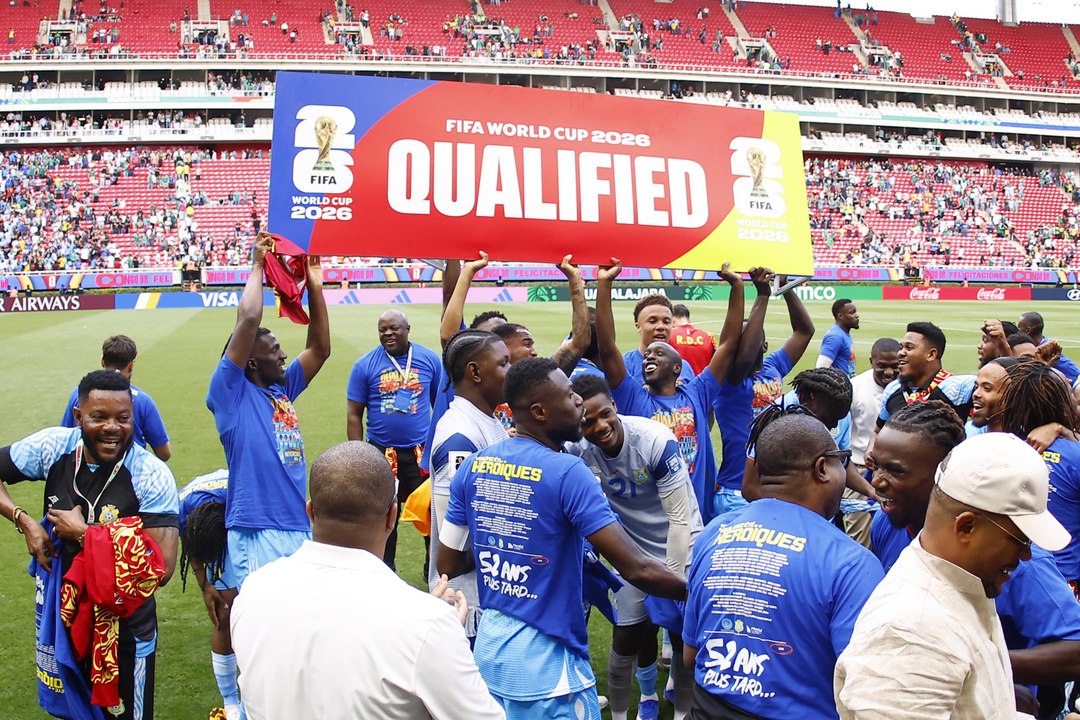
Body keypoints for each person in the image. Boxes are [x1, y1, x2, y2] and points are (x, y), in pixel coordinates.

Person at [437, 357, 686, 720]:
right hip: (550, 672)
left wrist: (512, 548)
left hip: (491, 658)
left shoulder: (474, 466)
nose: (579, 403)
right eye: (570, 396)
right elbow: (636, 568)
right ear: (540, 411)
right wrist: (695, 595)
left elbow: (448, 562)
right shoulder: (568, 472)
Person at [231, 441, 505, 720]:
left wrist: (428, 624)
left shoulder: (253, 592)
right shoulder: (427, 625)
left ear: (310, 512)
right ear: (392, 515)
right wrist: (441, 635)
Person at [834, 433, 1071, 719]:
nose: (1026, 556)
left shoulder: (966, 583)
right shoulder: (911, 633)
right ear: (967, 527)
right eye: (1019, 540)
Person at [0, 370, 180, 720]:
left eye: (123, 418)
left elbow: (163, 569)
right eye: (99, 417)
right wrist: (24, 521)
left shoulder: (150, 474)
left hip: (125, 628)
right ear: (78, 416)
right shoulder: (53, 448)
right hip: (65, 618)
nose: (113, 428)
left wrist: (85, 535)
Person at [683, 411, 883, 719]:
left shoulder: (715, 532)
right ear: (821, 468)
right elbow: (863, 689)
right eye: (841, 460)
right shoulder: (852, 563)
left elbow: (691, 653)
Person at [567, 375, 704, 720]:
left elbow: (679, 518)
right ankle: (633, 703)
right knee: (627, 635)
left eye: (604, 415)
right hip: (632, 553)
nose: (599, 427)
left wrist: (671, 581)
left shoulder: (655, 440)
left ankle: (683, 712)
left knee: (681, 635)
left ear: (614, 406)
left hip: (682, 546)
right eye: (587, 422)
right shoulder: (578, 449)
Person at [206, 232, 330, 589]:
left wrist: (316, 287)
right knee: (262, 632)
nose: (284, 355)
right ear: (251, 362)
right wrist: (257, 264)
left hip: (296, 524)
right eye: (274, 350)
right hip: (257, 527)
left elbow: (320, 349)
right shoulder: (231, 394)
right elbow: (247, 320)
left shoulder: (281, 390)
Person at [597, 261, 746, 524]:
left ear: (678, 367)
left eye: (667, 321)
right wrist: (605, 284)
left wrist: (737, 285)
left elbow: (729, 345)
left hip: (695, 510)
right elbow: (607, 348)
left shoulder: (696, 392)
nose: (650, 356)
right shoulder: (635, 397)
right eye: (648, 356)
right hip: (651, 516)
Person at [427, 329, 510, 637]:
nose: (510, 372)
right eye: (504, 364)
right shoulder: (459, 440)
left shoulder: (487, 420)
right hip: (467, 606)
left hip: (487, 597)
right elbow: (454, 553)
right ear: (475, 371)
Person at [714, 270, 815, 514]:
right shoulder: (728, 380)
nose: (743, 341)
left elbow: (804, 332)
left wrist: (786, 287)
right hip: (735, 493)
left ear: (765, 345)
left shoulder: (774, 366)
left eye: (751, 334)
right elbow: (746, 355)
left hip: (773, 488)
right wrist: (762, 294)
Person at [346, 308, 441, 570]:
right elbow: (354, 414)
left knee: (430, 513)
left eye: (393, 328)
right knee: (383, 517)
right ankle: (385, 570)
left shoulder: (429, 359)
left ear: (407, 329)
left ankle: (431, 567)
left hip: (421, 453)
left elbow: (440, 405)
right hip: (381, 453)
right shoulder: (365, 365)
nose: (387, 333)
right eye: (382, 330)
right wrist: (358, 455)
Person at [178, 469, 242, 720]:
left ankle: (259, 692)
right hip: (210, 524)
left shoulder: (240, 498)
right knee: (224, 615)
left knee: (254, 610)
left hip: (243, 523)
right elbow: (189, 543)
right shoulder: (180, 509)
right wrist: (205, 584)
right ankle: (230, 702)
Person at [61, 334, 171, 461]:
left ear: (102, 361)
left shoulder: (79, 394)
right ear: (131, 365)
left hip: (84, 474)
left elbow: (65, 439)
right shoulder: (143, 401)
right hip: (129, 475)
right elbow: (164, 453)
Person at [846, 338, 900, 545]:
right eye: (882, 367)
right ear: (871, 362)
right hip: (859, 470)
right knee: (859, 533)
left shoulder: (906, 389)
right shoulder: (855, 387)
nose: (888, 373)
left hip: (895, 471)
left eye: (895, 367)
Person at [876, 321, 974, 428]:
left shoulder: (958, 388)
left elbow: (994, 384)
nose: (900, 353)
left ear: (931, 355)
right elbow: (878, 431)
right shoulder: (892, 389)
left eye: (909, 348)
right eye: (901, 348)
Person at [624, 294, 694, 384]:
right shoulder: (624, 366)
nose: (661, 327)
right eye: (653, 321)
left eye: (666, 322)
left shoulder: (683, 366)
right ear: (638, 327)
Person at [1019, 311, 1080, 384]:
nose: (1017, 331)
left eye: (1019, 327)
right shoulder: (1043, 344)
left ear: (1028, 330)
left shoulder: (1045, 350)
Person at [816, 297, 859, 377]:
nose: (856, 315)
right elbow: (821, 368)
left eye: (855, 312)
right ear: (840, 316)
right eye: (852, 312)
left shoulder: (844, 333)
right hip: (839, 388)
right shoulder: (835, 337)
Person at [669, 304, 716, 376]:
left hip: (679, 385)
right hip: (702, 384)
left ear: (673, 320)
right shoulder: (708, 336)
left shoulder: (669, 335)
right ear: (688, 319)